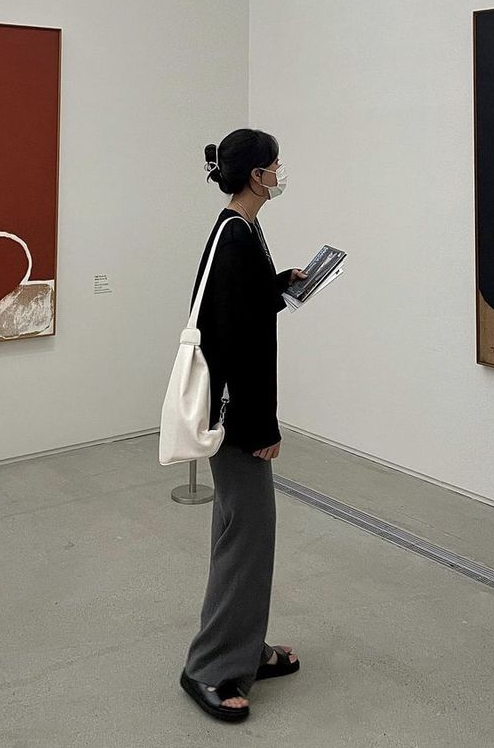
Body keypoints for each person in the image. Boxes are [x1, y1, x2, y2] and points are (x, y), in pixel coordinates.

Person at [179, 128, 308, 723]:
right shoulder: (234, 235)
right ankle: (210, 669)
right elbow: (238, 342)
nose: (281, 170)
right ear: (257, 176)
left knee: (245, 534)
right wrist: (260, 428)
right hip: (236, 415)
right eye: (275, 163)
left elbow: (246, 307)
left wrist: (280, 287)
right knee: (246, 539)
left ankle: (244, 648)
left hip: (233, 410)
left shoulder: (240, 228)